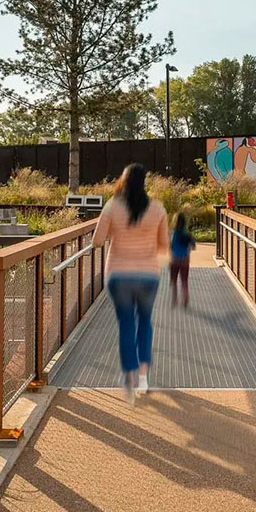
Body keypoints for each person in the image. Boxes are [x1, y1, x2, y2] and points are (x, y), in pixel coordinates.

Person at [90, 163, 168, 403]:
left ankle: (130, 376)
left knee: (126, 324)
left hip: (118, 275)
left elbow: (97, 241)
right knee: (144, 322)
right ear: (145, 182)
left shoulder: (112, 206)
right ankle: (144, 379)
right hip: (147, 276)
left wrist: (119, 233)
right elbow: (164, 244)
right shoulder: (157, 208)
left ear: (123, 181)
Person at [169, 213, 196, 308]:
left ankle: (174, 299)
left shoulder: (172, 234)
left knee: (174, 280)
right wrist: (187, 247)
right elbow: (193, 247)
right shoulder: (187, 235)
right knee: (184, 281)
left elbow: (169, 246)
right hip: (185, 259)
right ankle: (185, 299)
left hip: (174, 259)